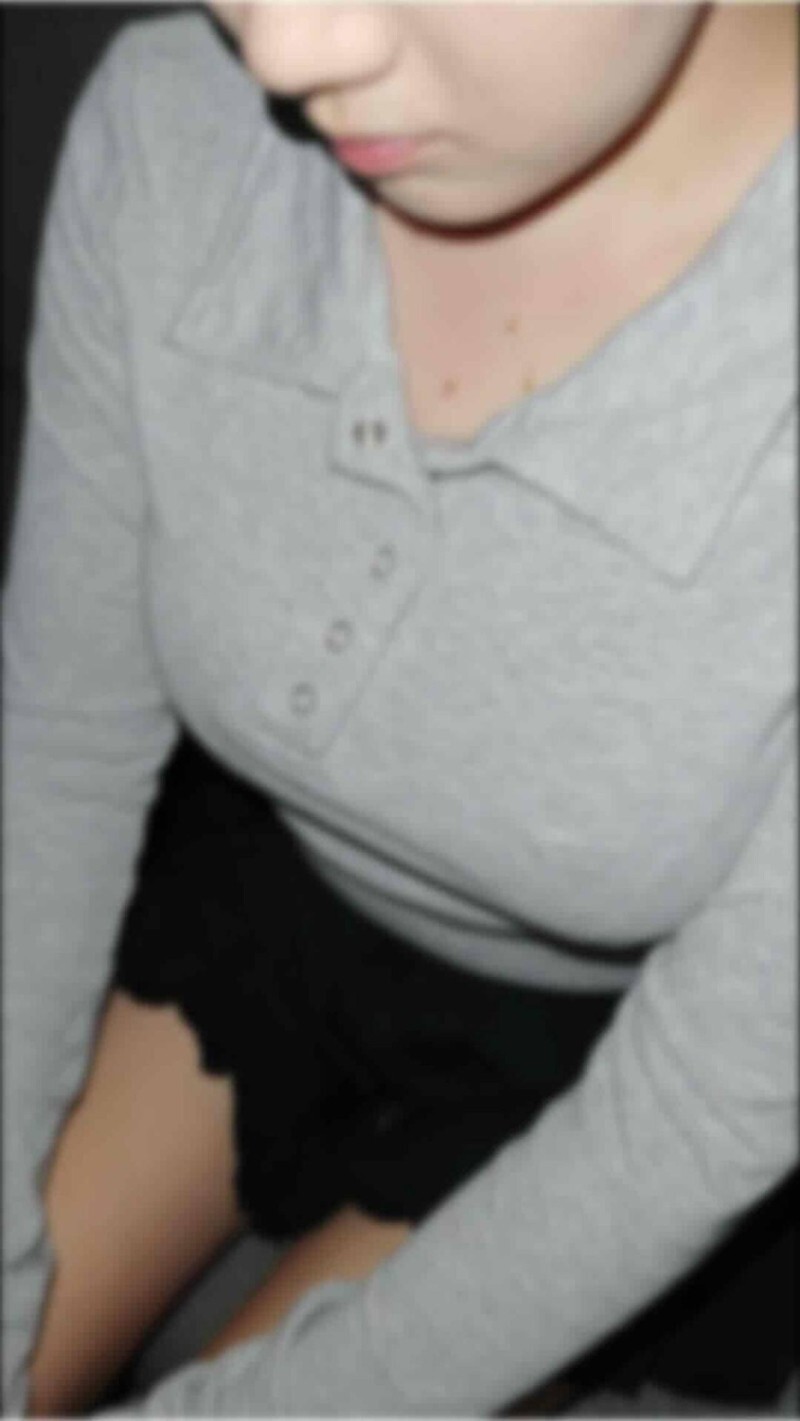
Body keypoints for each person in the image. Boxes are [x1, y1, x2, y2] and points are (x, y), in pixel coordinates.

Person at [3, 3, 797, 1416]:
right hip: (273, 907)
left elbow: (705, 1102)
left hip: (628, 1064)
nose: (282, 53)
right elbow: (54, 759)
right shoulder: (176, 126)